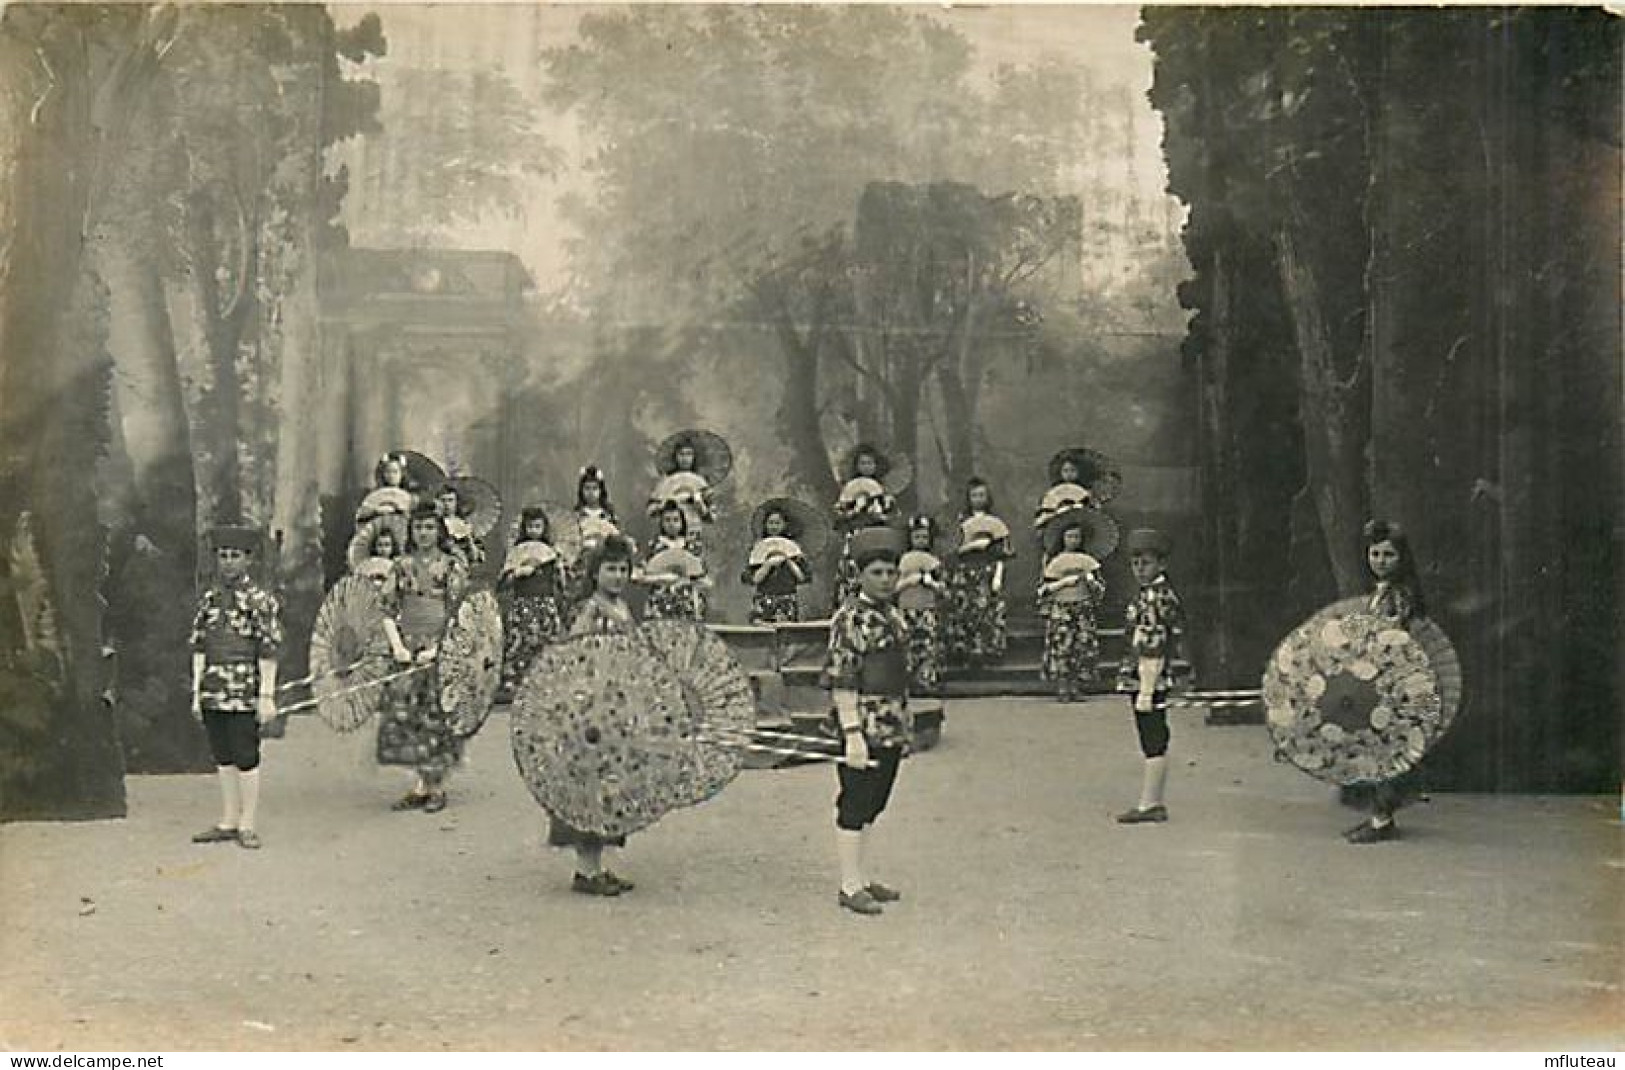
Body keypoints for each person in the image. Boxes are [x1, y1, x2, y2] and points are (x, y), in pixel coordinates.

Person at [825, 525, 912, 916]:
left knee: (876, 802)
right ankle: (848, 884)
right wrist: (852, 734)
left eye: (891, 572)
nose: (885, 580)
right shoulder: (849, 618)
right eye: (876, 573)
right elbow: (842, 678)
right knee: (855, 802)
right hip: (863, 720)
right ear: (860, 575)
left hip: (892, 720)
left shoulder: (893, 614)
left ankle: (863, 876)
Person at [549, 534, 640, 896]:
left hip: (616, 704)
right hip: (592, 708)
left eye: (623, 569)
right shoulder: (592, 609)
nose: (617, 576)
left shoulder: (622, 607)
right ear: (595, 572)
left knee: (611, 786)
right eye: (610, 569)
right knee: (592, 785)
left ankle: (596, 865)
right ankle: (585, 871)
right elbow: (572, 653)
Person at [189, 525, 282, 850]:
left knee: (246, 755)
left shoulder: (259, 601)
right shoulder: (209, 600)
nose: (228, 563)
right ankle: (228, 819)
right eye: (222, 556)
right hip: (213, 686)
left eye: (235, 556)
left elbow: (269, 651)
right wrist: (196, 692)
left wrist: (266, 696)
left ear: (248, 560)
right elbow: (199, 647)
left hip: (244, 689)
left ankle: (248, 823)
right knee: (222, 753)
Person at [377, 504, 468, 814]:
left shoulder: (451, 566)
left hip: (439, 644)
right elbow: (387, 609)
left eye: (430, 527)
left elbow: (460, 613)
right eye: (418, 528)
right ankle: (419, 784)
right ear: (411, 532)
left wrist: (439, 649)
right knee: (409, 715)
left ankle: (437, 786)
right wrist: (398, 647)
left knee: (437, 715)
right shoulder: (401, 566)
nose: (424, 534)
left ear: (438, 531)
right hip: (408, 644)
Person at [1343, 519, 1428, 844]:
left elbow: (1395, 638)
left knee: (1385, 747)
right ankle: (1377, 815)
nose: (1380, 561)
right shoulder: (1380, 592)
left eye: (1388, 555)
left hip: (1392, 679)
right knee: (1372, 745)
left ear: (1401, 558)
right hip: (1374, 676)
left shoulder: (1401, 595)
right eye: (1375, 554)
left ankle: (1382, 819)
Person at [1115, 528, 1185, 824]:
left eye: (1146, 562)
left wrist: (1146, 688)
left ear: (1161, 564)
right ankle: (1151, 800)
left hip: (1148, 674)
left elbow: (1152, 646)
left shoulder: (1155, 598)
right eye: (1135, 563)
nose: (1139, 569)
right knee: (1152, 735)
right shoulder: (1152, 594)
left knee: (1152, 735)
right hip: (1144, 672)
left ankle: (1150, 803)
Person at [497, 506, 568, 697]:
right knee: (520, 644)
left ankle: (547, 684)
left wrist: (559, 566)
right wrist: (517, 573)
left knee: (546, 643)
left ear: (544, 528)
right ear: (524, 528)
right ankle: (517, 684)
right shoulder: (516, 552)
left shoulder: (551, 554)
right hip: (523, 604)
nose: (534, 530)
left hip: (545, 603)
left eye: (538, 526)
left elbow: (561, 584)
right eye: (530, 526)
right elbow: (502, 584)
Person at [1038, 516, 1107, 703]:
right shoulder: (1054, 561)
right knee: (1062, 646)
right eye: (1069, 537)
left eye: (1076, 537)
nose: (1073, 540)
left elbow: (1101, 590)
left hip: (1082, 607)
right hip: (1061, 608)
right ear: (1063, 538)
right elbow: (1043, 590)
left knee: (1080, 646)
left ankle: (1075, 686)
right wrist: (1063, 582)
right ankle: (1062, 687)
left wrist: (1092, 582)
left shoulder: (1088, 561)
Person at [946, 478, 1013, 668]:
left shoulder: (996, 523)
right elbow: (952, 550)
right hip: (966, 572)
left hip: (988, 571)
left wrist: (998, 575)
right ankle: (967, 654)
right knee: (966, 612)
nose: (978, 499)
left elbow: (1003, 553)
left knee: (989, 612)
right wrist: (973, 545)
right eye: (974, 495)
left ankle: (989, 652)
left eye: (982, 495)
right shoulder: (961, 522)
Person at [832, 445, 900, 609]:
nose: (866, 467)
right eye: (863, 463)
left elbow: (895, 517)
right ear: (857, 466)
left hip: (878, 537)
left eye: (870, 463)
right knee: (852, 572)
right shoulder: (848, 491)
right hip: (855, 535)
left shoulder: (885, 492)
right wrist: (855, 510)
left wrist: (880, 516)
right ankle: (849, 607)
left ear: (877, 466)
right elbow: (838, 519)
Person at [896, 515, 946, 697]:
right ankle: (907, 681)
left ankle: (926, 680)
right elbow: (894, 587)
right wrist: (909, 580)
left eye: (924, 537)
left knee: (928, 645)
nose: (920, 541)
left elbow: (943, 589)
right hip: (906, 606)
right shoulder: (903, 561)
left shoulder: (934, 562)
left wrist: (930, 582)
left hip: (927, 607)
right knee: (907, 645)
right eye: (916, 537)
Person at [638, 502, 711, 621]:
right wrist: (662, 578)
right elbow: (640, 576)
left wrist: (689, 579)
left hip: (687, 601)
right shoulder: (654, 546)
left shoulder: (692, 547)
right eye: (667, 520)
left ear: (682, 522)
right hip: (660, 601)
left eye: (676, 520)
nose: (671, 524)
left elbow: (703, 577)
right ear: (661, 523)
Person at [743, 504, 811, 625]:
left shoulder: (795, 550)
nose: (774, 526)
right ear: (765, 524)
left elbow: (802, 577)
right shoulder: (758, 548)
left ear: (784, 524)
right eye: (770, 523)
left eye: (777, 523)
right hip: (764, 600)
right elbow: (753, 579)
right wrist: (768, 564)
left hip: (787, 601)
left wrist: (788, 560)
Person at [647, 433, 716, 552]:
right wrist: (664, 504)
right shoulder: (665, 482)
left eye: (689, 454)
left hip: (694, 533)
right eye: (681, 454)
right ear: (675, 457)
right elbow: (650, 511)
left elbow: (712, 517)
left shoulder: (702, 483)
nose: (685, 458)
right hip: (670, 533)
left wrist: (700, 505)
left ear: (694, 457)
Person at [355, 452, 418, 525]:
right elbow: (360, 516)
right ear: (383, 474)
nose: (391, 476)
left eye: (395, 472)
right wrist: (376, 511)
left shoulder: (411, 497)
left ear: (402, 474)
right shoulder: (373, 495)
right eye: (388, 472)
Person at [434, 483, 486, 568]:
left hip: (462, 567)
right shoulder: (434, 523)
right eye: (443, 500)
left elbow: (477, 557)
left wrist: (469, 539)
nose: (446, 504)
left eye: (450, 500)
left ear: (456, 502)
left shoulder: (465, 524)